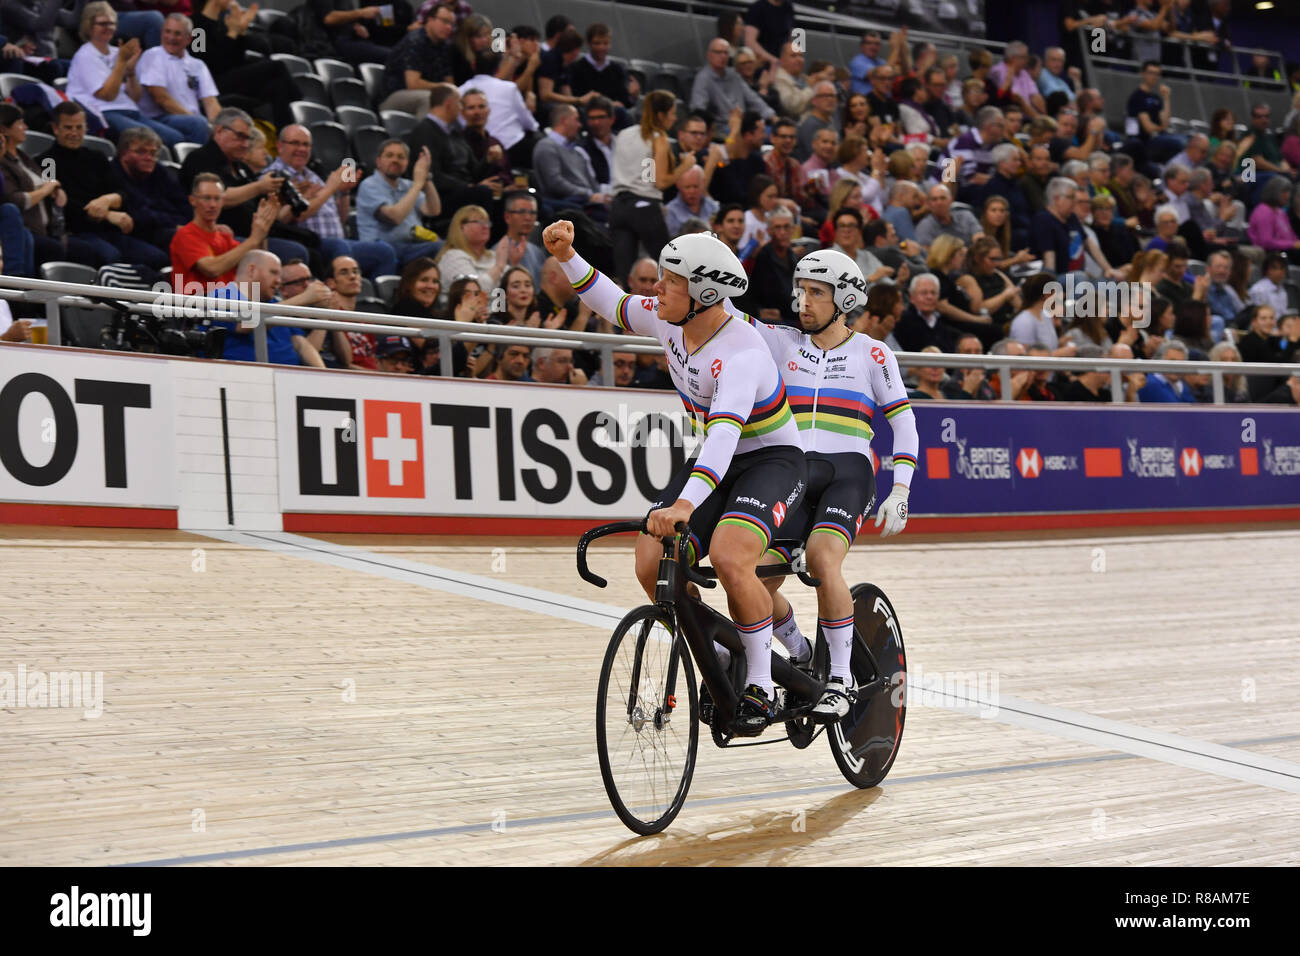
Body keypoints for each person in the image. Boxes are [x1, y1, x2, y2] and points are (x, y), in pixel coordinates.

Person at [545, 221, 807, 736]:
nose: (656, 288)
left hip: (770, 460)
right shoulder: (672, 318)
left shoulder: (742, 352)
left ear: (705, 295)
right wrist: (567, 254)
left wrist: (685, 505)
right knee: (650, 560)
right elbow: (614, 303)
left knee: (733, 559)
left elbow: (726, 434)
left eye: (669, 281)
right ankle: (715, 656)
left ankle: (763, 680)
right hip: (716, 460)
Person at [739, 249, 916, 718]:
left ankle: (838, 678)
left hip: (848, 473)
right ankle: (798, 648)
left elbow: (905, 424)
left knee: (821, 559)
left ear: (846, 300)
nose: (804, 301)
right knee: (750, 575)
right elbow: (725, 315)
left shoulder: (873, 353)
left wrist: (901, 488)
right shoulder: (781, 343)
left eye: (817, 293)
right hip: (794, 473)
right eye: (801, 291)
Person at [66, 3, 209, 147]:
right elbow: (107, 95)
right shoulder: (85, 55)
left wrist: (131, 73)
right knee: (168, 140)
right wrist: (121, 63)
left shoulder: (117, 52)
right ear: (89, 26)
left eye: (112, 23)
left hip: (130, 110)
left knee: (176, 137)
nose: (108, 27)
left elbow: (135, 97)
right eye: (103, 23)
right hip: (103, 113)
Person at [264, 125, 396, 280]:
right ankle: (337, 300)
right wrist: (331, 187)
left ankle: (370, 302)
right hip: (312, 243)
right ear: (280, 146)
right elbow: (296, 215)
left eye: (306, 145)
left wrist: (343, 192)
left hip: (339, 242)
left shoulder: (313, 175)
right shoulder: (273, 176)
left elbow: (341, 219)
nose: (301, 149)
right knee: (339, 247)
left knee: (384, 251)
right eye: (295, 143)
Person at [610, 91, 691, 283]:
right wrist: (685, 166)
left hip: (618, 208)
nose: (675, 117)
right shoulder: (658, 138)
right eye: (672, 112)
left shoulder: (623, 134)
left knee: (624, 276)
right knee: (671, 267)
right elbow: (660, 182)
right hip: (645, 208)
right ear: (661, 115)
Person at [212, 251, 331, 367]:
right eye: (273, 273)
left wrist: (323, 373)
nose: (279, 281)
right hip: (244, 378)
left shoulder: (276, 303)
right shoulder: (222, 295)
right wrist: (302, 298)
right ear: (252, 270)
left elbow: (301, 345)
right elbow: (246, 325)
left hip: (290, 377)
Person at [170, 172, 277, 294]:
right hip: (199, 307)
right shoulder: (186, 235)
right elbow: (212, 269)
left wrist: (262, 231)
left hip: (229, 305)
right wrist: (253, 239)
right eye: (206, 198)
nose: (212, 205)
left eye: (217, 198)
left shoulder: (224, 236)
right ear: (192, 200)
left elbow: (256, 265)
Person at [405, 84, 499, 215]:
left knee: (506, 197)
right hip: (442, 197)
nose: (461, 108)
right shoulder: (424, 131)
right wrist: (468, 187)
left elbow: (474, 171)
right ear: (449, 103)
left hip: (466, 190)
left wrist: (488, 160)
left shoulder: (455, 132)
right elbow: (433, 175)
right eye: (460, 103)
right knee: (483, 193)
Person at [355, 139, 442, 268]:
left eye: (401, 157)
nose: (395, 160)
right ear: (378, 162)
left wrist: (426, 177)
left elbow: (433, 210)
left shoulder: (407, 185)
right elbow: (394, 217)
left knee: (451, 246)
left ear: (407, 163)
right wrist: (418, 184)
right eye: (389, 155)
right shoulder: (369, 185)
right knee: (440, 248)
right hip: (382, 247)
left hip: (413, 245)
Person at [107, 125, 190, 257]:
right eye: (141, 152)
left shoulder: (159, 171)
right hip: (130, 235)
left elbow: (186, 210)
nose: (148, 157)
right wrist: (171, 221)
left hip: (163, 231)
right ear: (123, 153)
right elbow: (138, 216)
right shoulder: (111, 173)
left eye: (153, 153)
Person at [136, 14, 221, 134]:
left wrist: (218, 127)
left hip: (191, 120)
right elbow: (161, 98)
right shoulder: (152, 56)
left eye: (177, 34)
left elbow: (211, 102)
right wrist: (193, 119)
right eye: (167, 32)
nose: (171, 37)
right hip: (160, 118)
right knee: (199, 124)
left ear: (189, 39)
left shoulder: (198, 65)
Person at [458, 55, 539, 168]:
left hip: (508, 146)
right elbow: (529, 123)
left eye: (481, 106)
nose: (477, 112)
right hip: (485, 147)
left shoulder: (459, 90)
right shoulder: (509, 87)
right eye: (471, 107)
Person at [380, 3, 455, 115]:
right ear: (430, 20)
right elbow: (413, 84)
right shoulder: (415, 41)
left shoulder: (443, 46)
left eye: (451, 24)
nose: (449, 27)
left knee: (456, 100)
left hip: (425, 93)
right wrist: (444, 87)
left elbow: (449, 81)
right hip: (395, 97)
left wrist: (453, 92)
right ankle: (426, 132)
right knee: (427, 98)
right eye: (444, 21)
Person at [532, 103, 606, 215]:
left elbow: (592, 182)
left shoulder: (577, 151)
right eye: (576, 120)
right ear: (564, 120)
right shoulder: (546, 146)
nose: (580, 125)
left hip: (588, 202)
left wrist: (600, 195)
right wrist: (588, 195)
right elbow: (555, 183)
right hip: (567, 206)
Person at [691, 37, 775, 123]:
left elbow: (753, 99)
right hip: (721, 127)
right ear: (709, 55)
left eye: (726, 53)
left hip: (744, 124)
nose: (723, 56)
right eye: (718, 52)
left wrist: (772, 116)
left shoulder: (734, 75)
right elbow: (698, 109)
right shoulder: (703, 78)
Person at [435, 204, 512, 291]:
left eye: (487, 222)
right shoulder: (452, 257)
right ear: (462, 227)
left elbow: (512, 287)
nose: (485, 226)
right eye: (479, 222)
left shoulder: (492, 256)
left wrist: (514, 262)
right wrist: (499, 267)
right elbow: (473, 292)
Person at [915, 183, 982, 248]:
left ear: (951, 200)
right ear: (929, 204)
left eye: (943, 198)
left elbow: (980, 240)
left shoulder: (966, 216)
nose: (939, 203)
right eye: (934, 199)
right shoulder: (924, 226)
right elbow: (926, 254)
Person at [666, 165, 719, 237]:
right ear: (678, 185)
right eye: (687, 187)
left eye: (695, 186)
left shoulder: (714, 207)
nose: (692, 191)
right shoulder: (670, 211)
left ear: (703, 183)